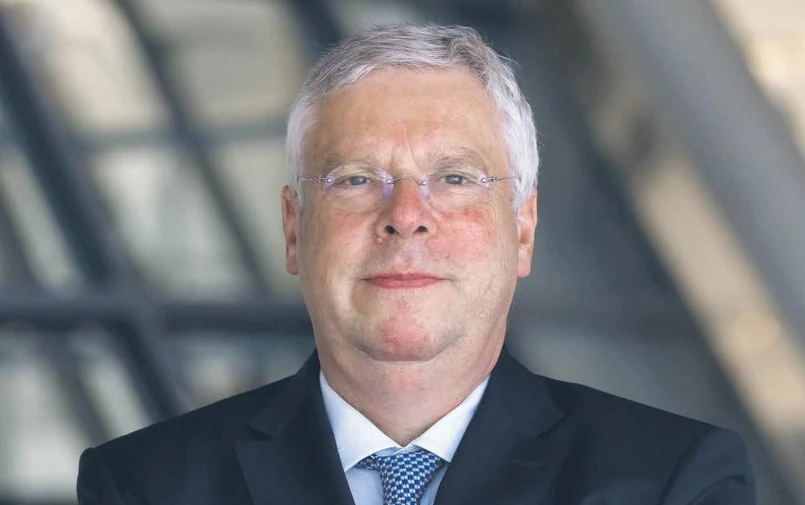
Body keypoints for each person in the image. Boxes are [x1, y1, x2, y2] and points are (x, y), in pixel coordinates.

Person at [77, 24, 755, 505]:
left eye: (454, 178)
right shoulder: (144, 486)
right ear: (293, 230)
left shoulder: (674, 481)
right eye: (355, 179)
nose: (405, 215)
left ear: (522, 228)